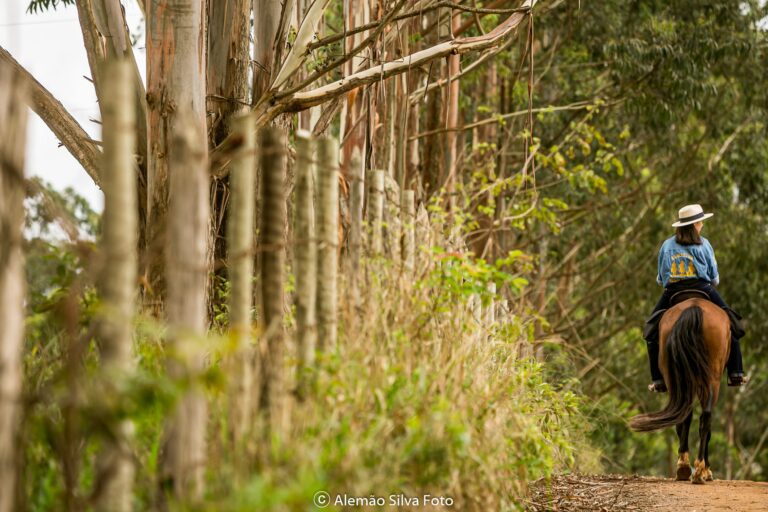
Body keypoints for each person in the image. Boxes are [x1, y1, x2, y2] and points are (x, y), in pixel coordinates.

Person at [643, 204, 747, 392]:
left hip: (673, 291)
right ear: (696, 224)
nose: (702, 225)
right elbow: (714, 277)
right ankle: (736, 373)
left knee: (651, 332)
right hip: (703, 288)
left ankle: (658, 379)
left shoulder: (667, 245)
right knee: (732, 323)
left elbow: (661, 278)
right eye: (701, 221)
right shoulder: (704, 244)